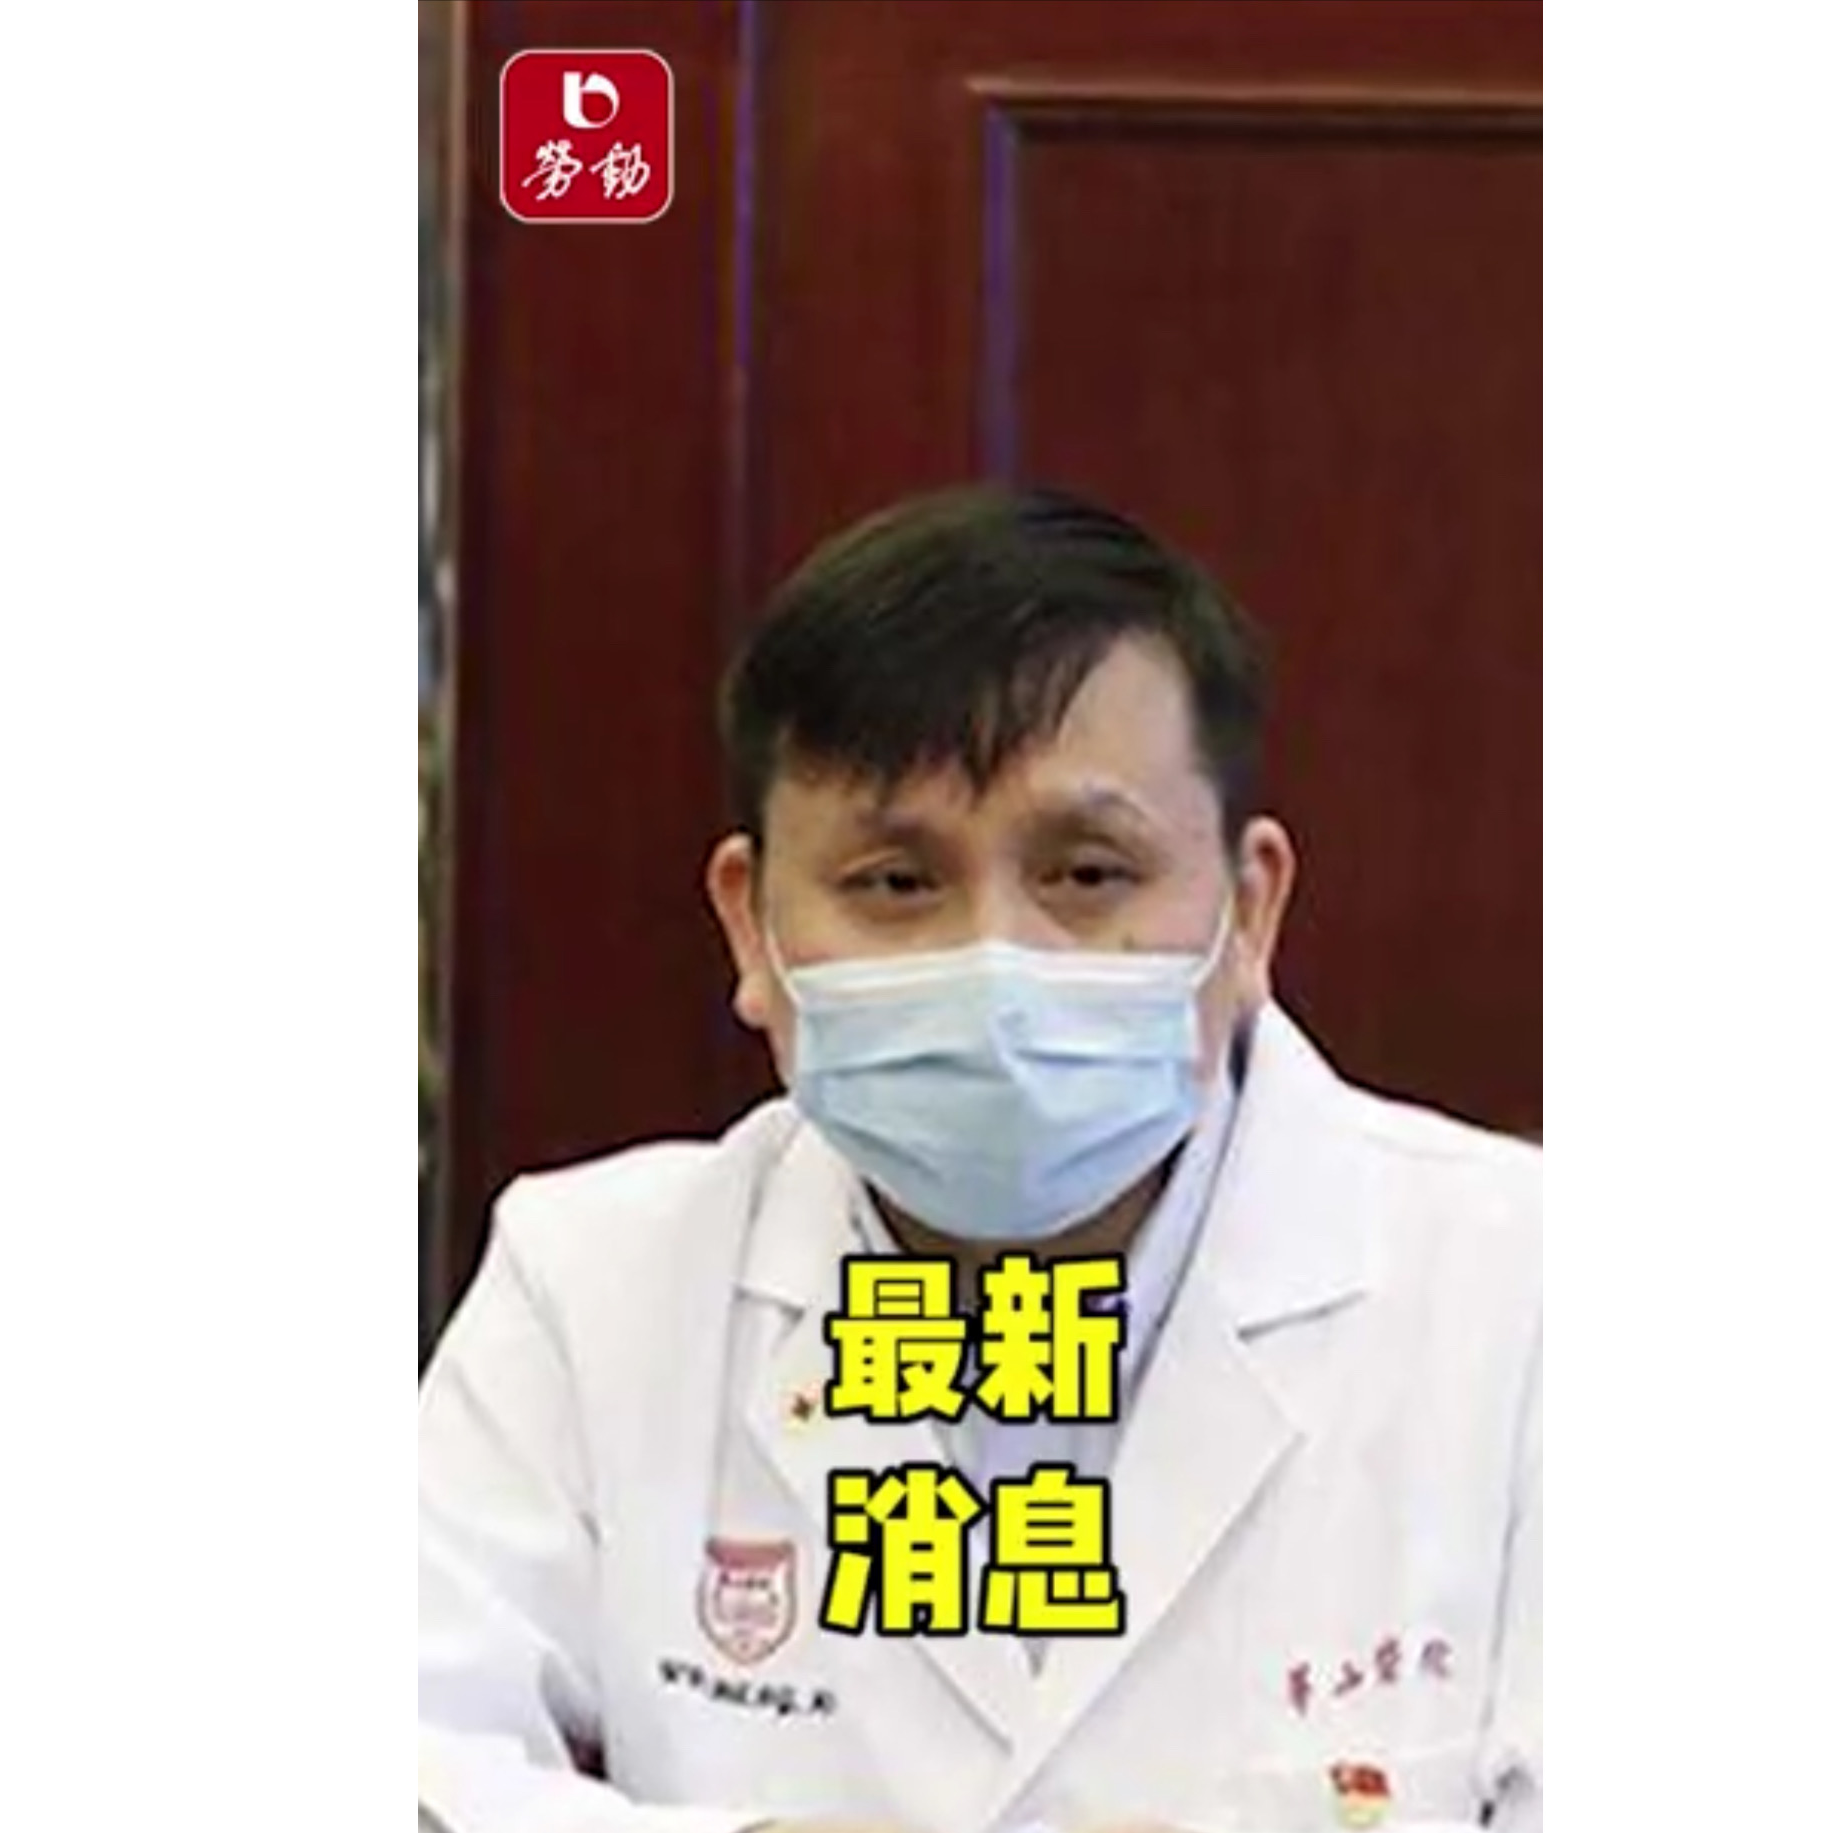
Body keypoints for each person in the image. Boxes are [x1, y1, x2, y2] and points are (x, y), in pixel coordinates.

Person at [418, 486, 1541, 1833]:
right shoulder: (591, 1286)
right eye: (896, 882)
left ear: (1249, 912)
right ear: (749, 924)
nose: (995, 965)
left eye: (1087, 872)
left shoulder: (1523, 1290)